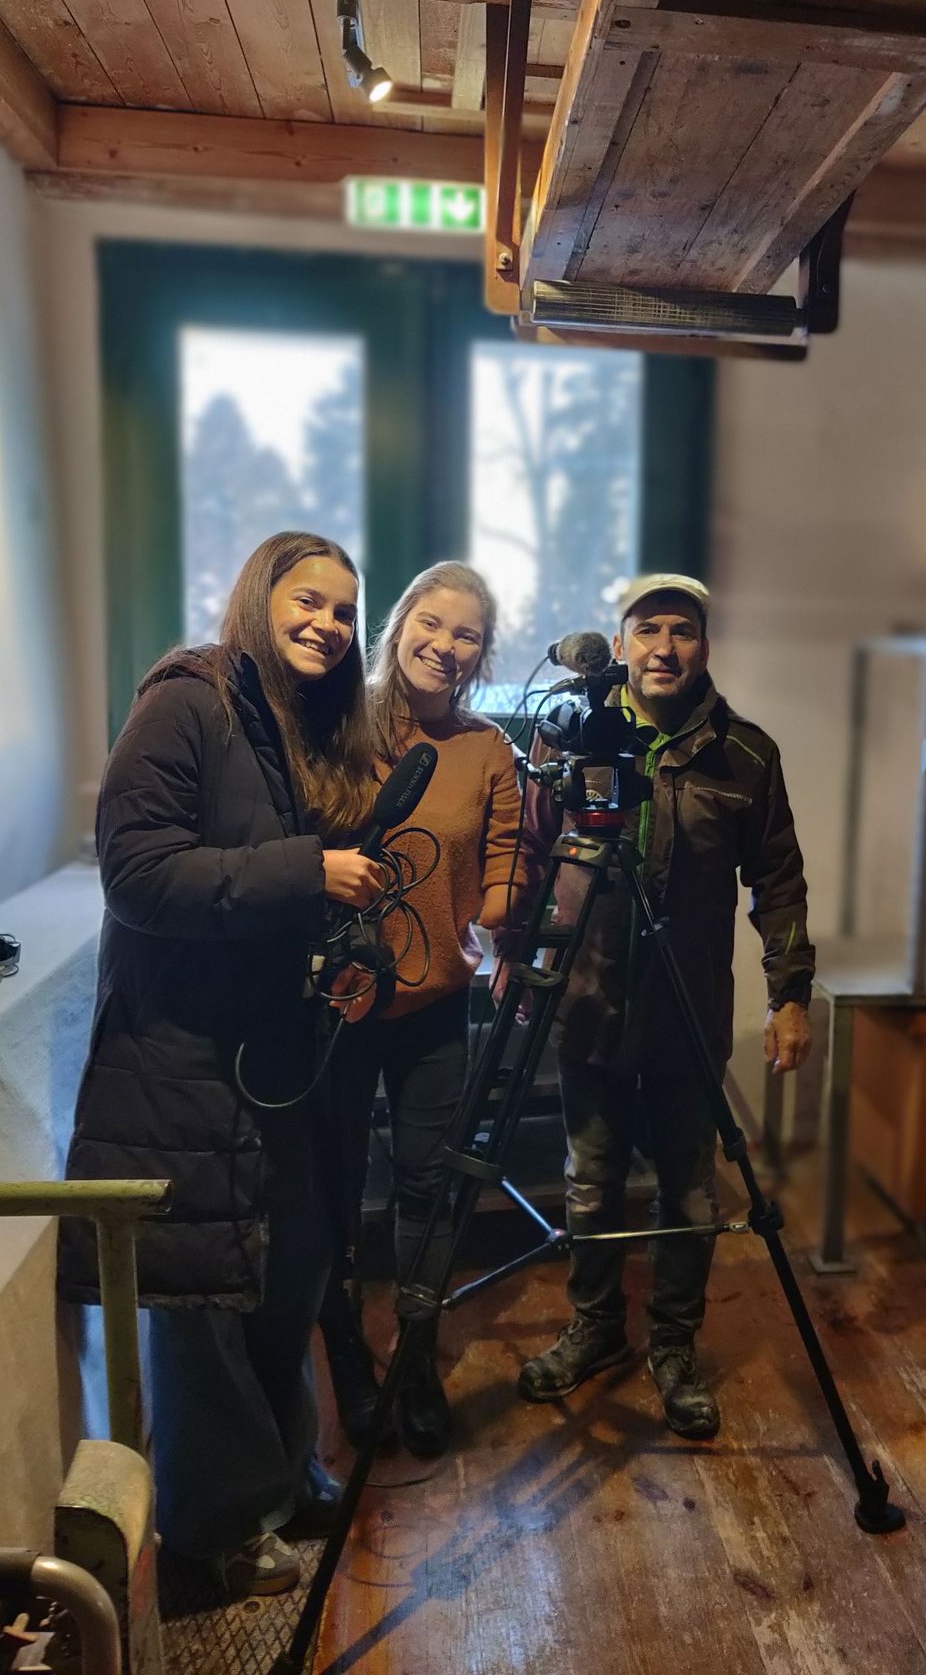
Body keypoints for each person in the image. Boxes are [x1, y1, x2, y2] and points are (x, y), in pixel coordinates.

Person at [59, 532, 385, 1599]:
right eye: (310, 600)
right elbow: (138, 873)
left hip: (270, 1053)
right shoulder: (187, 699)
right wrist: (309, 873)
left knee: (286, 1275)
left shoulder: (295, 725)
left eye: (345, 612)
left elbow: (267, 888)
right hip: (179, 1059)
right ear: (258, 596)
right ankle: (214, 1533)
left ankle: (281, 1479)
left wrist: (339, 950)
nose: (329, 625)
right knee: (203, 1300)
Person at [515, 572, 814, 1440]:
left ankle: (675, 1346)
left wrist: (791, 994)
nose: (664, 647)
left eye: (681, 630)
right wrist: (516, 959)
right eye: (647, 630)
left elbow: (779, 882)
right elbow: (530, 855)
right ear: (619, 645)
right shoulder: (570, 735)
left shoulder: (745, 755)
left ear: (704, 648)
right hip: (589, 1000)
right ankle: (596, 1327)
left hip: (689, 1009)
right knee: (589, 1181)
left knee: (688, 1193)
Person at [321, 560, 531, 1460]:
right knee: (333, 1193)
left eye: (467, 635)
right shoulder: (335, 721)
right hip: (335, 1005)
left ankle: (415, 1364)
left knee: (426, 1188)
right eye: (432, 624)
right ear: (400, 623)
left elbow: (506, 858)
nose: (445, 646)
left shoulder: (487, 750)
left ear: (483, 654)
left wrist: (504, 918)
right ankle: (346, 1368)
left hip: (436, 1005)